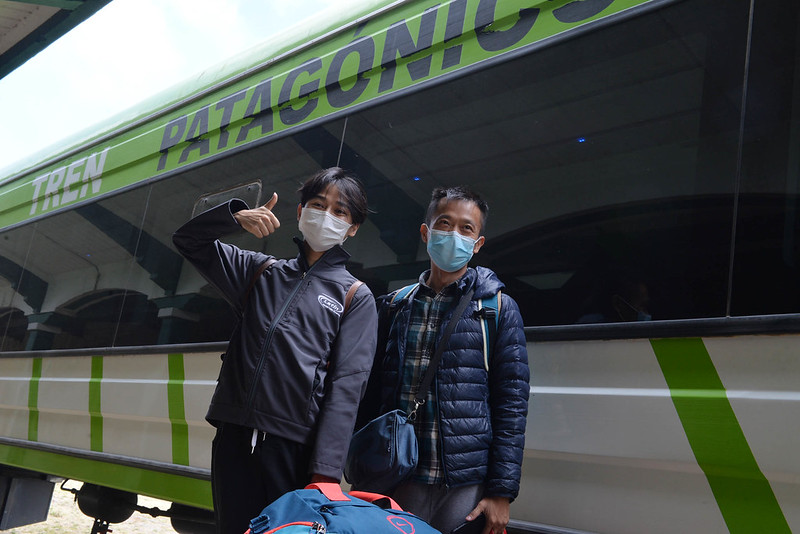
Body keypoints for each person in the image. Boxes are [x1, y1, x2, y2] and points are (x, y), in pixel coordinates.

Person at [173, 167, 378, 534]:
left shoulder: (354, 296)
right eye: (318, 204)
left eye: (340, 211)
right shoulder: (260, 272)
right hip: (234, 434)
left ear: (353, 228)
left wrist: (326, 471)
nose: (326, 215)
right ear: (300, 212)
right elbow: (188, 240)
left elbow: (348, 387)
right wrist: (234, 217)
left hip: (292, 446)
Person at [359, 186, 530, 534]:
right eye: (445, 223)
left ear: (478, 243)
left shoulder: (496, 309)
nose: (454, 234)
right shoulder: (394, 306)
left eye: (466, 228)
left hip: (464, 485)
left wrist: (501, 492)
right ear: (426, 233)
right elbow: (371, 391)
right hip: (400, 477)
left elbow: (511, 404)